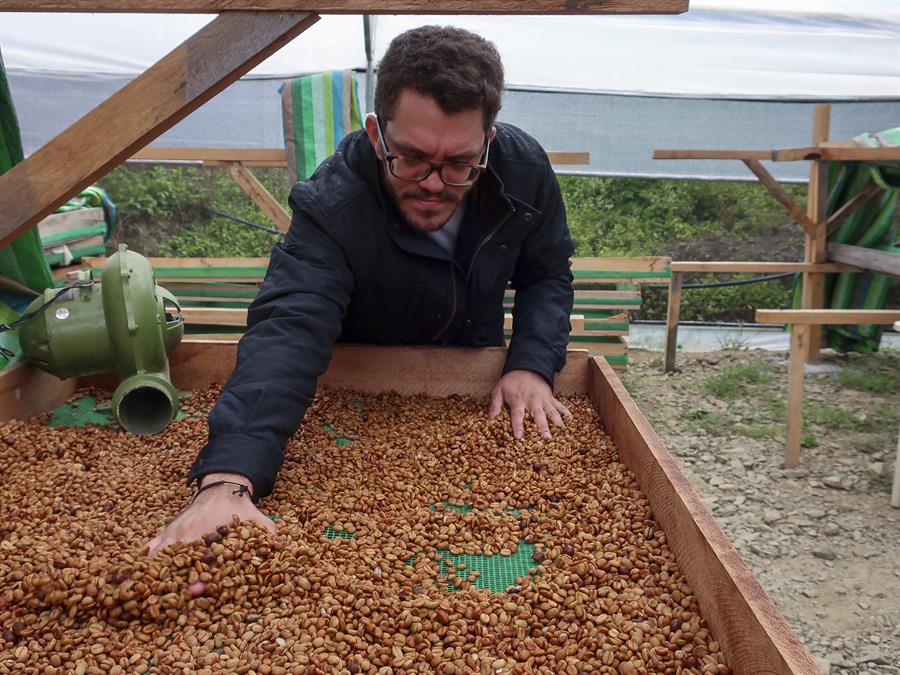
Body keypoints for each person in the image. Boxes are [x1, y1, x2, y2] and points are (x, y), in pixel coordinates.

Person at [147, 25, 575, 555]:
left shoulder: (524, 171)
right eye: (412, 158)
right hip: (353, 385)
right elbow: (291, 325)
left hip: (470, 378)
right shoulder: (334, 203)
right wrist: (228, 478)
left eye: (460, 164)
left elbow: (547, 272)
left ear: (488, 141)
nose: (435, 183)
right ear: (376, 135)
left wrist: (530, 364)